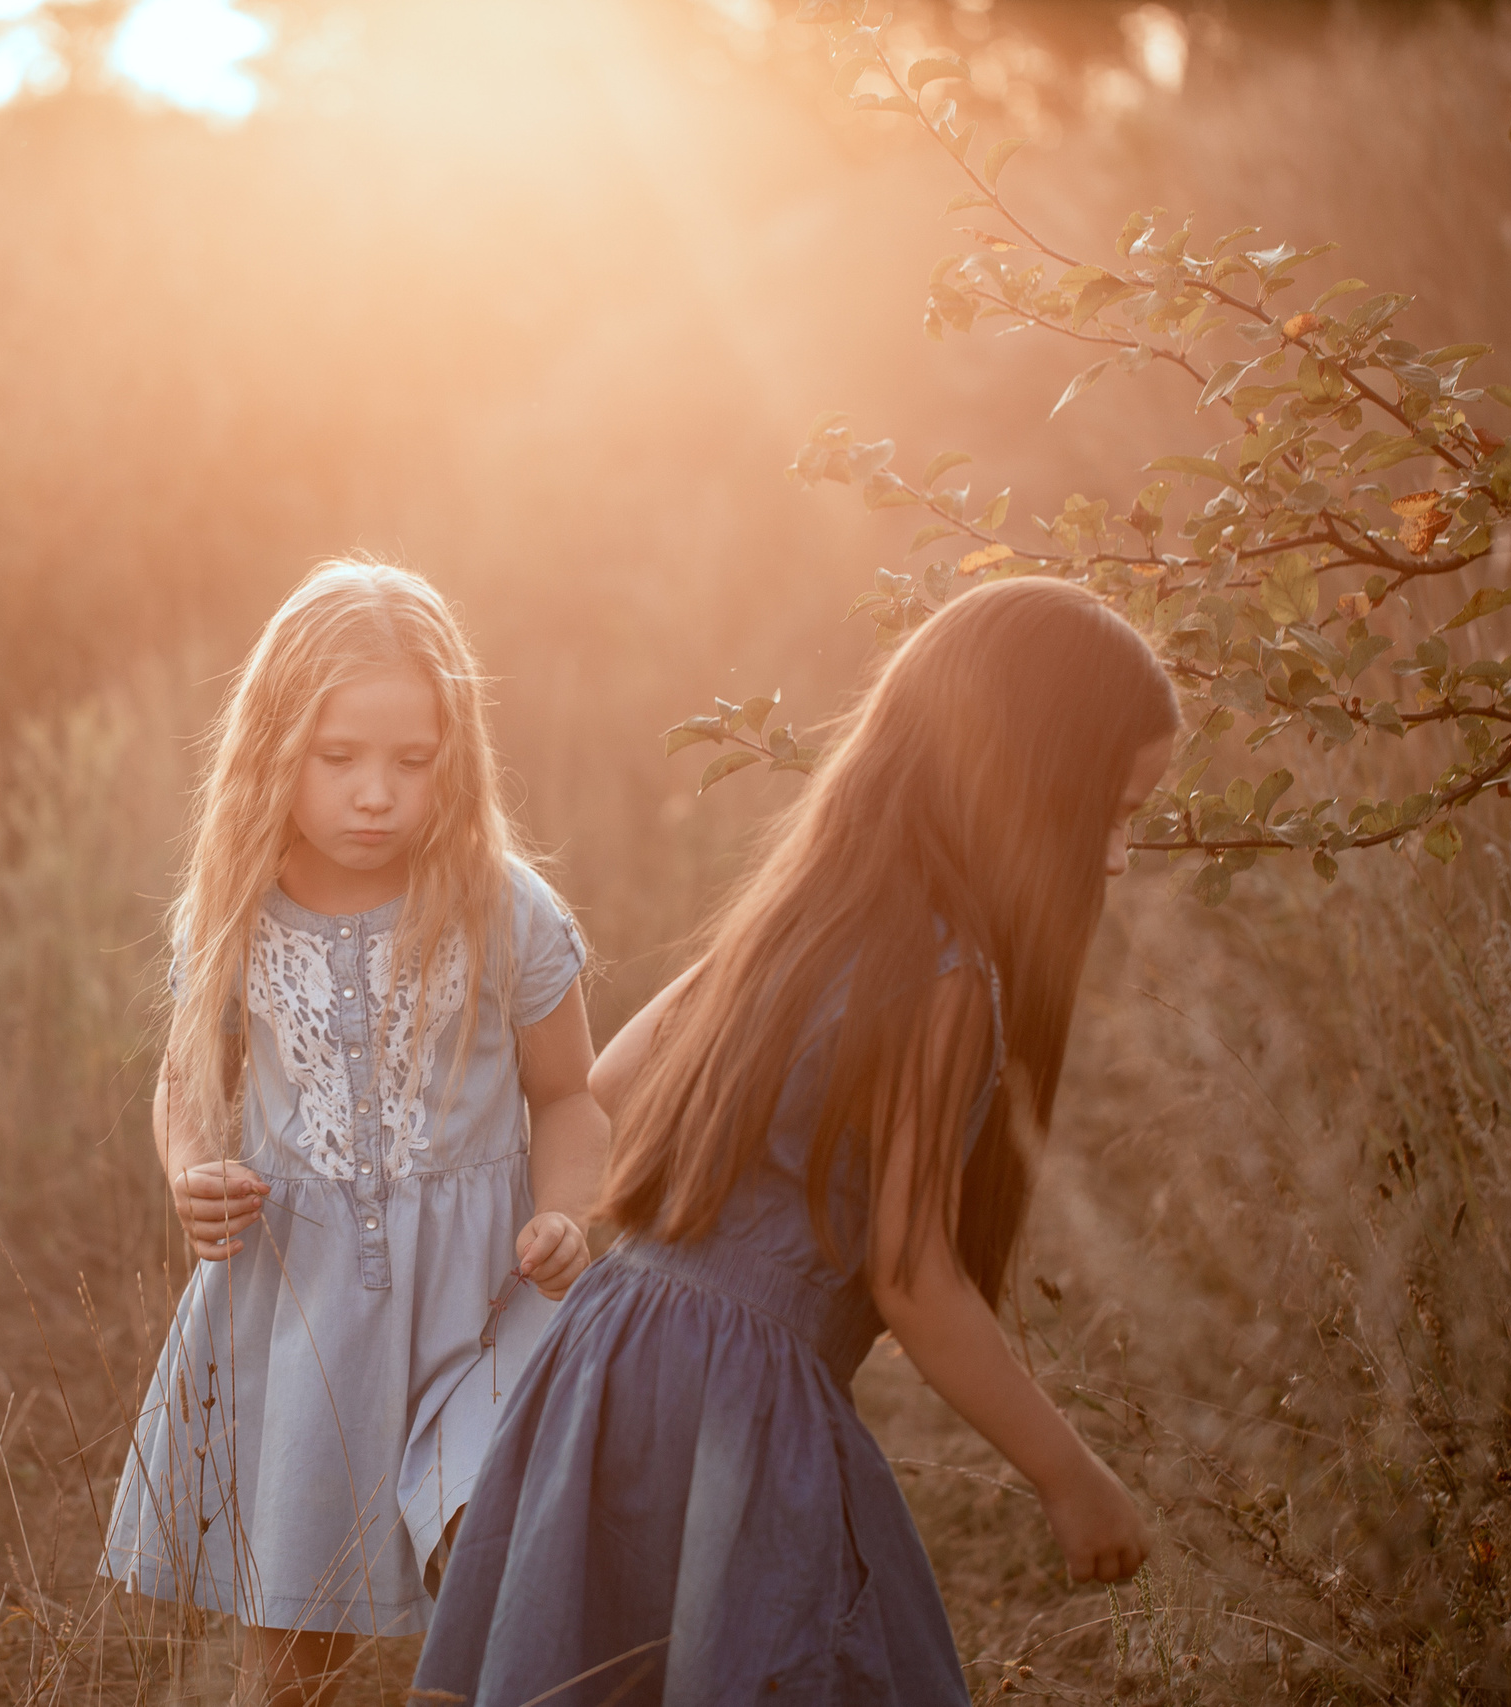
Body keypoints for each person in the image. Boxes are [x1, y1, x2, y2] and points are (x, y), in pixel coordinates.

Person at [413, 576, 1177, 1705]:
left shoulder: (809, 910)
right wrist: (1072, 1479)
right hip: (742, 1394)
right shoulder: (950, 975)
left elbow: (611, 1088)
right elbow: (912, 1278)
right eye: (1110, 815)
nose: (1117, 858)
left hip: (614, 1347)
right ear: (1025, 791)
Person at [101, 561, 608, 1707]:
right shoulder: (233, 907)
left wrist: (568, 1211)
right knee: (292, 1665)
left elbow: (570, 1095)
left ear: (455, 759)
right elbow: (190, 1075)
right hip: (306, 1314)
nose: (375, 793)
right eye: (339, 759)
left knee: (501, 1585)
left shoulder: (502, 908)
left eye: (411, 762)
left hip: (485, 1305)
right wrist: (191, 1167)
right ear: (277, 747)